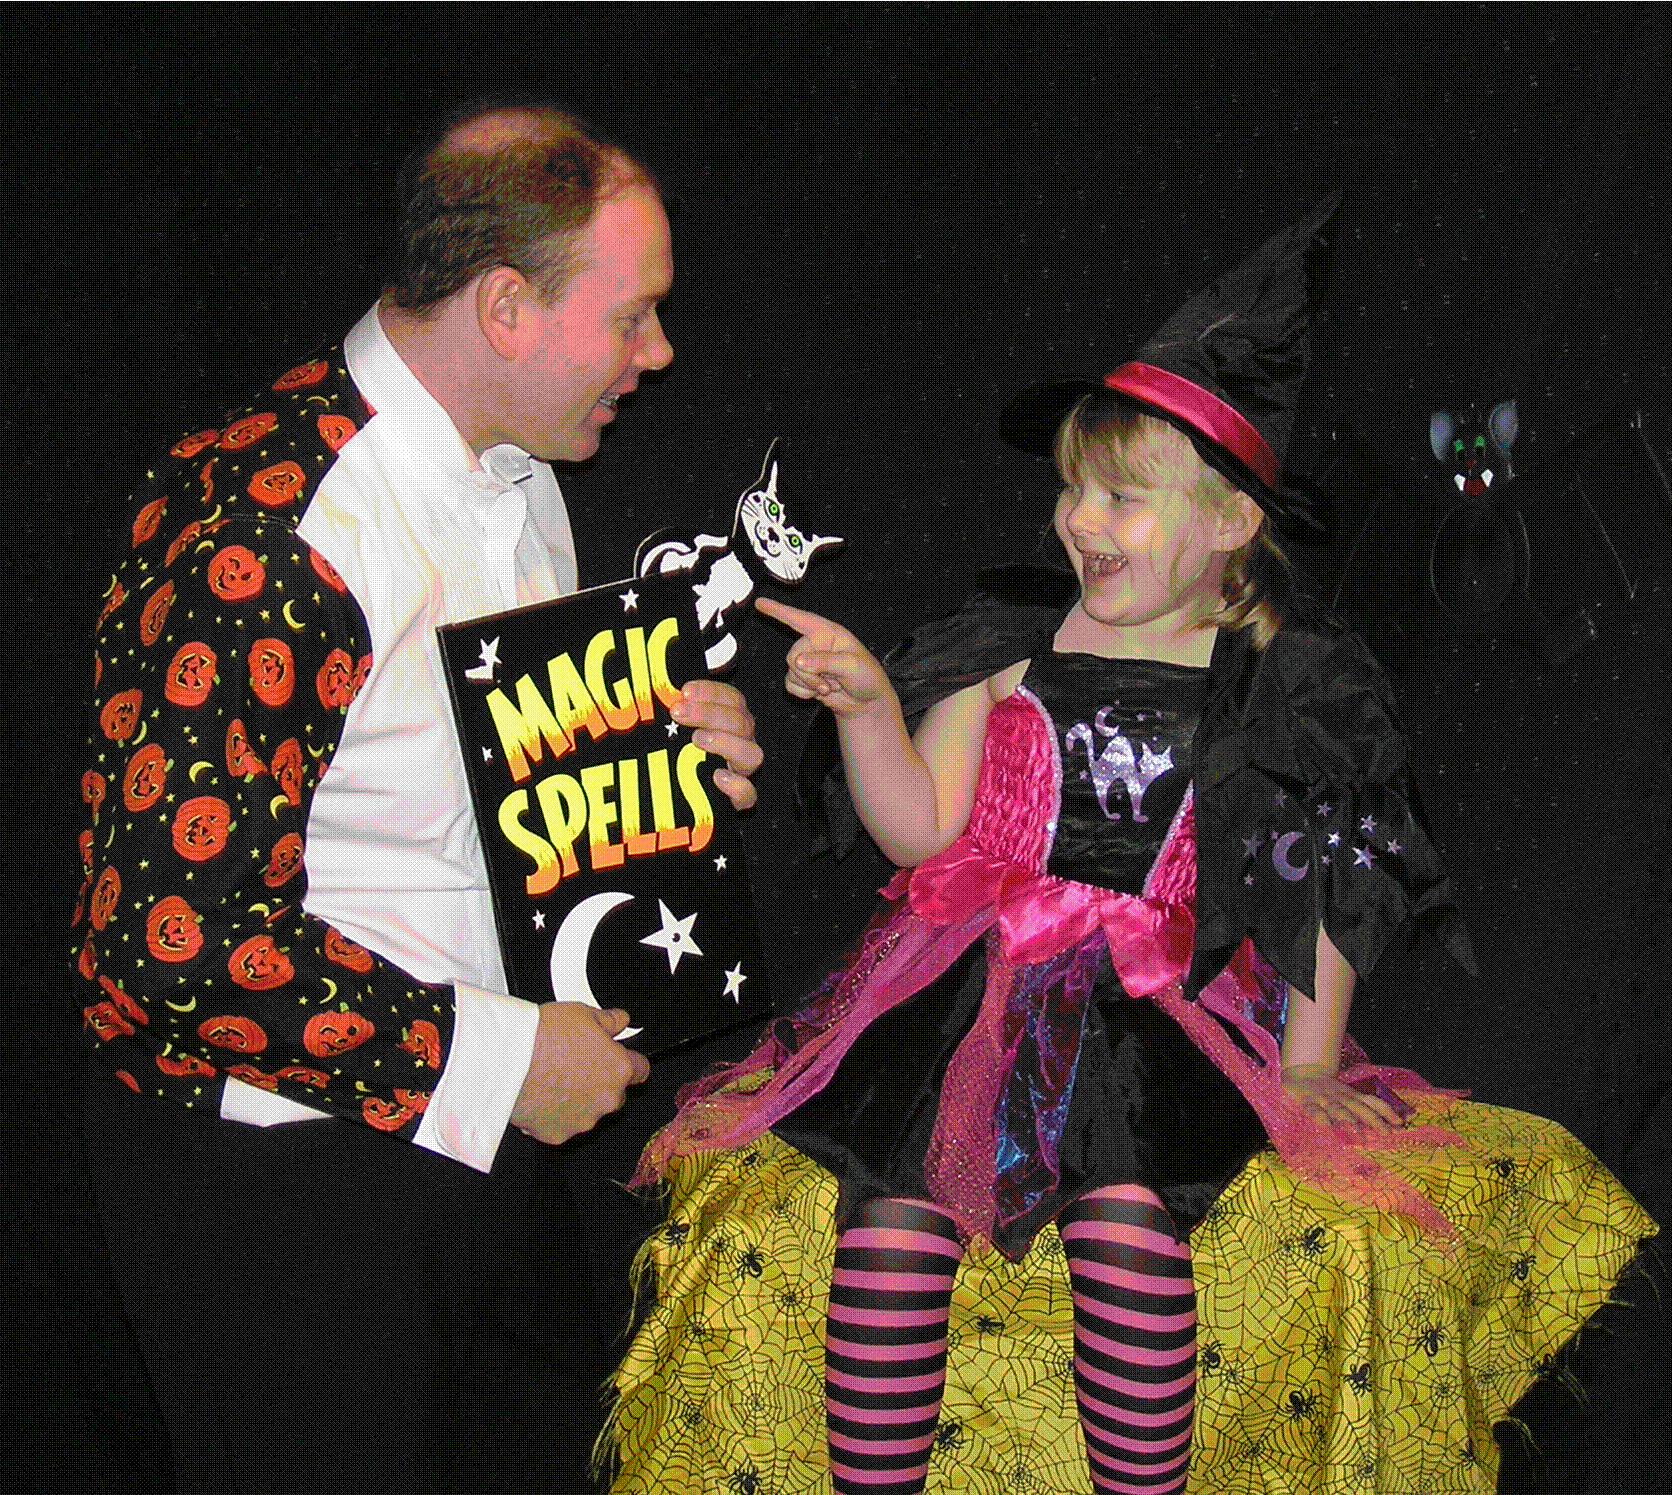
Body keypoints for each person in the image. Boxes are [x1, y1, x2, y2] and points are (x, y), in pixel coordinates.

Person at [611, 200, 1654, 1494]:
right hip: (970, 990)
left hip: (1160, 1000)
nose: (1078, 518)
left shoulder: (1282, 684)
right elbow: (922, 828)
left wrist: (1311, 1057)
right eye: (1071, 486)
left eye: (1120, 494)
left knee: (1129, 1237)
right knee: (890, 1233)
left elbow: (1326, 883)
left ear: (1230, 521)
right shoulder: (1009, 643)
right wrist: (872, 711)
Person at [71, 96, 763, 1494]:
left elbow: (462, 808)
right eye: (632, 315)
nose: (659, 353)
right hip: (290, 1191)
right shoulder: (273, 529)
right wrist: (498, 1063)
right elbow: (157, 946)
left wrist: (660, 764)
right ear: (506, 306)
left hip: (480, 1150)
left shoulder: (518, 478)